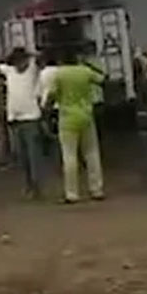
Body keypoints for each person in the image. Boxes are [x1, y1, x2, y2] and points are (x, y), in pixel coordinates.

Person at [43, 49, 106, 203]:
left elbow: (51, 94)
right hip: (86, 115)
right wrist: (88, 65)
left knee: (69, 156)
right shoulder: (84, 71)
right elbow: (103, 79)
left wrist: (46, 110)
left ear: (60, 61)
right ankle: (96, 190)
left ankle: (72, 194)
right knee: (91, 154)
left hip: (67, 117)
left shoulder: (58, 74)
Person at [0, 47, 45, 199]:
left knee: (33, 156)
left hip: (31, 119)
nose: (20, 63)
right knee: (23, 157)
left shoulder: (32, 69)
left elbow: (42, 56)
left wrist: (29, 54)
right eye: (17, 60)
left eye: (22, 60)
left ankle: (36, 187)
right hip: (16, 121)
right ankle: (29, 185)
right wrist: (11, 57)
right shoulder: (9, 71)